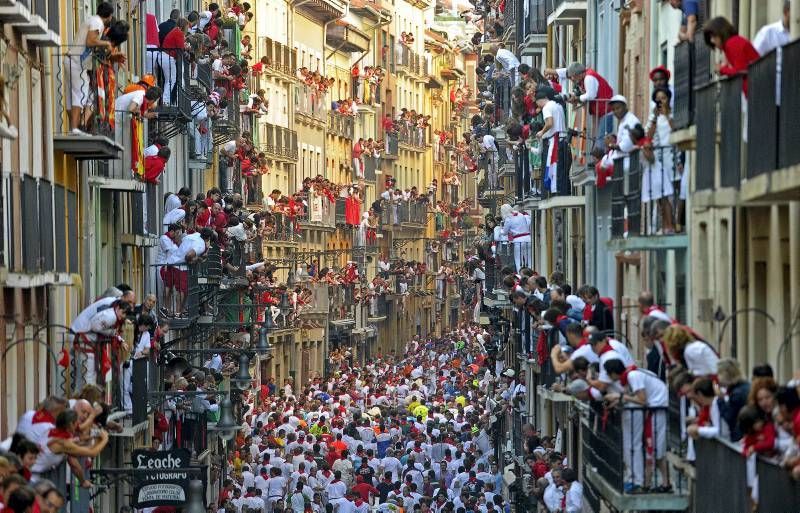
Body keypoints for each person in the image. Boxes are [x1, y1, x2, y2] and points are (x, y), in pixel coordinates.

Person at [603, 359, 671, 493]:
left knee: (653, 449)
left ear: (614, 373)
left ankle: (646, 484)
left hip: (656, 409)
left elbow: (642, 399)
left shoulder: (633, 376)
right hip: (654, 408)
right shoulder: (632, 374)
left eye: (609, 375)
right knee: (656, 450)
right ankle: (663, 482)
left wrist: (620, 396)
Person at [65, 1, 115, 134]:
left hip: (71, 59)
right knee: (80, 94)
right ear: (109, 15)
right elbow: (90, 41)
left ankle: (74, 127)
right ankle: (75, 128)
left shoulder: (92, 20)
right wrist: (106, 44)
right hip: (77, 62)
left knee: (72, 96)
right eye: (111, 16)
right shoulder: (98, 22)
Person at [703, 16, 760, 95]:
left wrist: (722, 69)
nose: (712, 40)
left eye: (714, 36)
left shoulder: (732, 44)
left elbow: (741, 71)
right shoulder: (732, 43)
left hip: (754, 92)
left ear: (721, 33)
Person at [534, 87, 569, 196]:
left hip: (555, 141)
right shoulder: (557, 105)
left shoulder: (546, 108)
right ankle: (562, 192)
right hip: (563, 139)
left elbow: (549, 123)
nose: (538, 107)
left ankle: (556, 193)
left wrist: (541, 132)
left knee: (555, 171)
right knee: (562, 172)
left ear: (540, 100)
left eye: (537, 103)